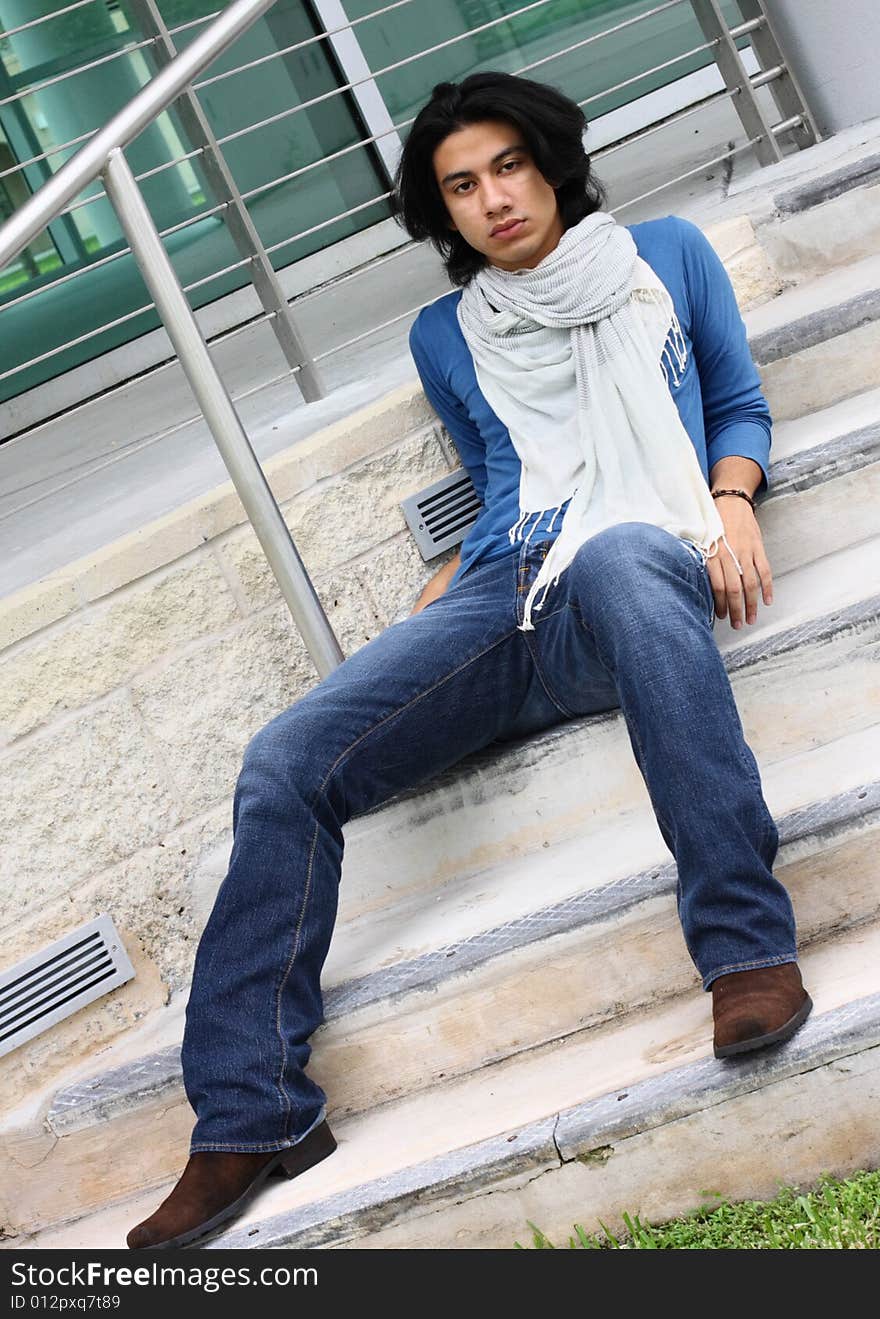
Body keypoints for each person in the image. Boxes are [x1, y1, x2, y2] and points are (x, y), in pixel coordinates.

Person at [127, 70, 812, 1251]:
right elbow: (507, 477)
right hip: (513, 587)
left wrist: (731, 496)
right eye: (459, 185)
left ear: (549, 163)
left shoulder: (669, 255)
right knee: (285, 759)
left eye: (505, 167)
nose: (491, 198)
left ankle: (745, 948)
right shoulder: (444, 334)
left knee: (624, 557)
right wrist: (451, 592)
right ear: (440, 213)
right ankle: (250, 1113)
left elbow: (737, 402)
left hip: (639, 564)